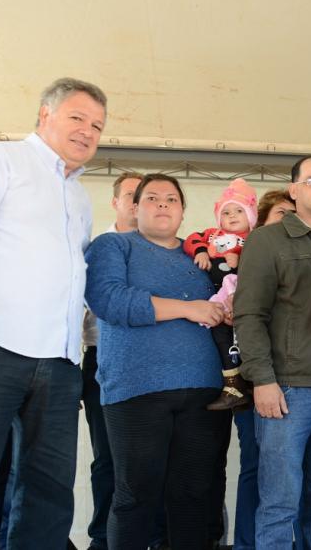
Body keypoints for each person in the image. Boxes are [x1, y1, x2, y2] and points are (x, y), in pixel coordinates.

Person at [0, 77, 106, 549]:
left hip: (58, 364)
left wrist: (72, 360)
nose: (88, 131)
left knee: (48, 501)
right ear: (45, 115)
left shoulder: (79, 197)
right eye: (77, 117)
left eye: (97, 125)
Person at [85, 173, 227, 549]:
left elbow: (226, 301)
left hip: (204, 392)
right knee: (135, 496)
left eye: (171, 199)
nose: (163, 203)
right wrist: (189, 308)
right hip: (135, 389)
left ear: (182, 211)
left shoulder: (202, 257)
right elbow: (111, 300)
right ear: (135, 207)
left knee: (193, 496)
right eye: (152, 197)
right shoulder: (113, 246)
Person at [234, 156, 311, 548]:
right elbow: (249, 315)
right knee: (279, 502)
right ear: (294, 189)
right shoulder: (267, 240)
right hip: (286, 389)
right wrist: (262, 380)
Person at [80, 171, 143, 549]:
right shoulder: (96, 248)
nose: (138, 201)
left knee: (150, 459)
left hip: (152, 364)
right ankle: (102, 539)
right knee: (107, 457)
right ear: (115, 202)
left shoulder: (169, 249)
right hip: (102, 361)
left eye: (144, 194)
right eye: (131, 194)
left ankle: (149, 537)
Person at [184, 178, 258, 410]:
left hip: (245, 303)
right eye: (226, 212)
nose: (232, 216)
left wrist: (241, 258)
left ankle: (249, 384)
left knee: (246, 341)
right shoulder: (211, 235)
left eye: (239, 210)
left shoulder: (256, 238)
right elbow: (191, 239)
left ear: (251, 215)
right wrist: (201, 251)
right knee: (220, 338)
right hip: (219, 302)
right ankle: (232, 383)